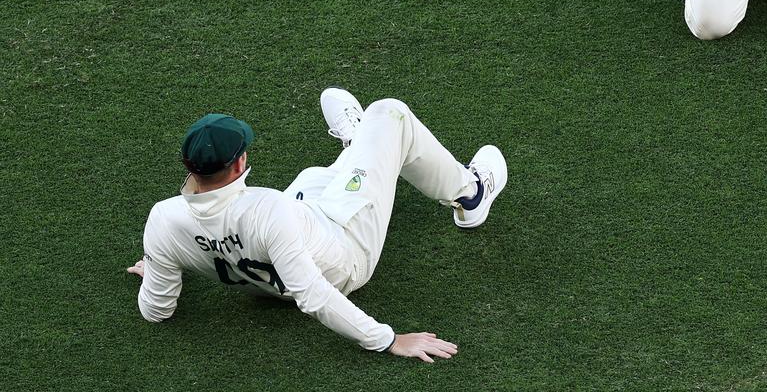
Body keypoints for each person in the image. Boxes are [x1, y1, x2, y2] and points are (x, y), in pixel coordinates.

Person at [127, 88, 508, 363]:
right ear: (240, 164)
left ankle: (357, 145)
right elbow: (315, 296)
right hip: (346, 253)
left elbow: (156, 310)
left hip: (276, 272)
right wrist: (388, 339)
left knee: (312, 176)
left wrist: (161, 266)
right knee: (391, 115)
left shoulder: (163, 219)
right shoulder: (268, 208)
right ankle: (471, 194)